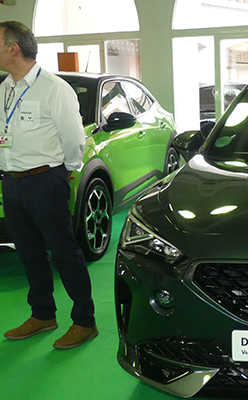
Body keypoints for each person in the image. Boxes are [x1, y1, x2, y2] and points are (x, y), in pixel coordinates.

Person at [0, 21, 98, 348]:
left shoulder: (54, 88)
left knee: (64, 252)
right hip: (12, 182)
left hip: (45, 180)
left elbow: (74, 138)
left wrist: (67, 170)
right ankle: (42, 315)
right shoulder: (4, 88)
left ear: (13, 48)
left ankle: (84, 321)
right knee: (29, 253)